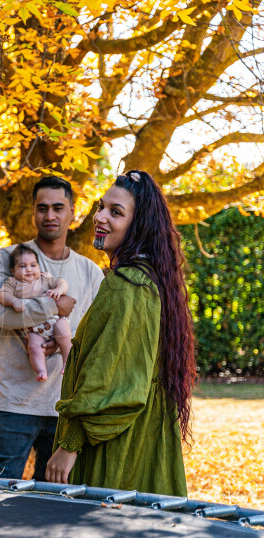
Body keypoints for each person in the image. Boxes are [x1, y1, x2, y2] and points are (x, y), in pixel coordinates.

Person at [46, 170, 195, 496]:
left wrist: (69, 445)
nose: (99, 217)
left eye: (116, 212)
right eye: (102, 207)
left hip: (116, 448)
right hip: (136, 439)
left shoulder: (128, 284)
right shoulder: (143, 278)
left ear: (138, 225)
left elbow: (114, 382)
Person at [0, 176, 104, 481]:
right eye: (42, 208)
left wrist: (61, 339)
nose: (50, 215)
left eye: (58, 208)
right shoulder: (8, 259)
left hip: (65, 409)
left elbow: (97, 338)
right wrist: (52, 307)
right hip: (14, 404)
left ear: (73, 212)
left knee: (54, 505)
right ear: (33, 212)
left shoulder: (90, 271)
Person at [0, 244, 73, 382]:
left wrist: (59, 290)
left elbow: (62, 282)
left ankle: (67, 362)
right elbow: (2, 295)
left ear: (39, 266)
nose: (29, 269)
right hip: (34, 329)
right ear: (12, 270)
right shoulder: (12, 283)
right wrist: (13, 301)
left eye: (33, 265)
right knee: (33, 345)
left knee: (64, 333)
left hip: (55, 321)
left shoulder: (44, 279)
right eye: (22, 266)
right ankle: (41, 371)